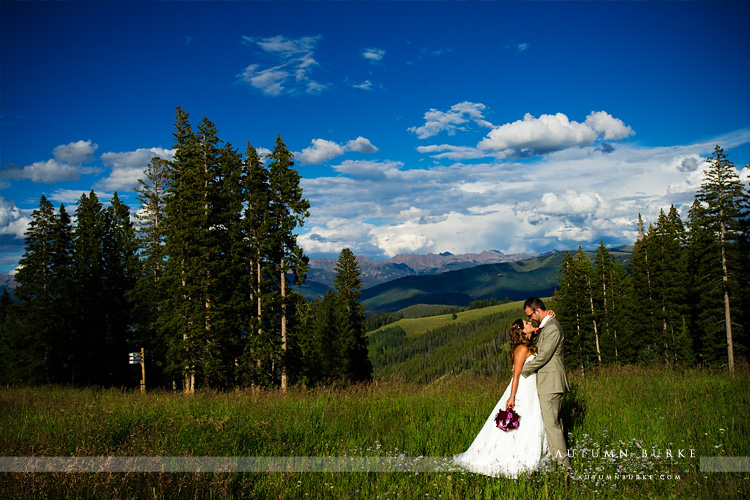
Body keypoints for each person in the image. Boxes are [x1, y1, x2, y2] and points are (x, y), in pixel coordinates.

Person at [453, 318, 549, 477]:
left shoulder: (527, 343)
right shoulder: (522, 348)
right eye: (527, 324)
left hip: (533, 386)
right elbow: (516, 374)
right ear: (522, 331)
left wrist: (547, 320)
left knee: (533, 419)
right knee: (525, 419)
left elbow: (537, 331)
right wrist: (512, 396)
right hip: (524, 387)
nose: (530, 324)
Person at [521, 297, 570, 468]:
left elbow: (544, 356)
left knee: (552, 425)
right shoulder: (547, 326)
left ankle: (564, 465)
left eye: (530, 315)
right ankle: (557, 459)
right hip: (548, 381)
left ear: (538, 310)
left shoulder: (552, 328)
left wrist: (523, 371)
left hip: (551, 381)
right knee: (554, 423)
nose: (530, 319)